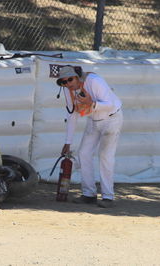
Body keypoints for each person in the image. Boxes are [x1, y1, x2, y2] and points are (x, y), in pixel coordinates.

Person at [57, 66, 123, 208]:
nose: (68, 83)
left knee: (105, 155)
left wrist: (91, 104)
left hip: (111, 118)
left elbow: (109, 104)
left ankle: (108, 196)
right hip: (94, 120)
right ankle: (89, 194)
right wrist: (68, 142)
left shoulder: (94, 81)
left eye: (70, 79)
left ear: (77, 76)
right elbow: (72, 113)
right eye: (64, 82)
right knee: (83, 153)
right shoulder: (67, 90)